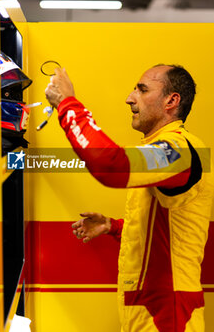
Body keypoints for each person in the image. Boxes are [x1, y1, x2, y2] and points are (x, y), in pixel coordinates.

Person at [45, 65, 214, 332]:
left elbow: (111, 166)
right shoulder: (161, 149)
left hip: (168, 314)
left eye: (142, 89)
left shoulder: (182, 150)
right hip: (149, 307)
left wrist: (68, 104)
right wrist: (114, 227)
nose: (129, 98)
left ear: (171, 101)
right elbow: (170, 230)